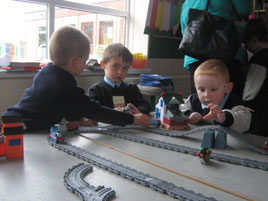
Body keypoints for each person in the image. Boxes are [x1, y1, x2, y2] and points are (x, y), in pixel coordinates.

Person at [3, 26, 151, 131]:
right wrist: (131, 119)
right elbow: (95, 110)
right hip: (21, 127)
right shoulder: (63, 84)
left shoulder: (48, 72)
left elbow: (59, 103)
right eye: (86, 59)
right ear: (77, 61)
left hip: (17, 120)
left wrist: (78, 118)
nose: (86, 63)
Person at [180, 0, 252, 98]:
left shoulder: (188, 2)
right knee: (229, 103)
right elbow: (245, 9)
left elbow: (184, 28)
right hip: (225, 52)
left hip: (194, 54)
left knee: (200, 102)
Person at [180, 59, 251, 133]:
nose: (206, 95)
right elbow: (180, 109)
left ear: (227, 88)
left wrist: (224, 118)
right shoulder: (193, 100)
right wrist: (189, 115)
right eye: (201, 89)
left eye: (213, 90)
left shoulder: (235, 104)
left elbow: (244, 123)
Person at [88, 43, 150, 115]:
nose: (120, 72)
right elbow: (92, 110)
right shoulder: (96, 90)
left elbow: (145, 106)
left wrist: (137, 110)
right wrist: (114, 113)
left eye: (125, 68)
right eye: (115, 66)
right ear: (103, 65)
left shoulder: (131, 88)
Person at [242, 19, 268, 137]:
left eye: (246, 44)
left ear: (253, 40)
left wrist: (244, 104)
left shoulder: (260, 59)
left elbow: (252, 85)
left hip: (261, 108)